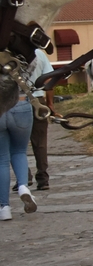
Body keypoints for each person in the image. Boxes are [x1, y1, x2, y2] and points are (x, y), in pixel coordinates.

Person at [1, 69, 37, 220]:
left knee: (1, 159)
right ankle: (23, 187)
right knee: (20, 151)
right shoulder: (23, 57)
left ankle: (4, 207)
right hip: (21, 102)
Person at [26, 47, 53, 190]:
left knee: (16, 144)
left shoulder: (9, 53)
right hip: (38, 100)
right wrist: (50, 103)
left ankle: (24, 175)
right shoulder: (39, 54)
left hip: (16, 101)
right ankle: (43, 178)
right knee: (40, 142)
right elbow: (49, 80)